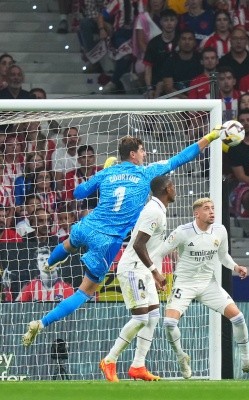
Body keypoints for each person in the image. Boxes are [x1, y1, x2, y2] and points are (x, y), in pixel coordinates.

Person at [21, 124, 230, 347]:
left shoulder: (108, 172)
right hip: (107, 240)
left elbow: (77, 193)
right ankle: (41, 323)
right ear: (133, 154)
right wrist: (210, 136)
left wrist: (102, 173)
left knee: (69, 243)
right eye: (142, 150)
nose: (145, 154)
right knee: (85, 292)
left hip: (88, 225)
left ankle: (48, 264)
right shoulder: (146, 173)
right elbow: (181, 158)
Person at [153, 198, 249, 378]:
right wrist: (157, 275)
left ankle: (246, 362)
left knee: (238, 317)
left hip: (208, 284)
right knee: (169, 323)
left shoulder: (220, 230)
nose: (212, 211)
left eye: (213, 208)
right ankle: (182, 357)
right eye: (206, 209)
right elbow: (158, 254)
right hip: (184, 283)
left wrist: (236, 267)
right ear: (196, 213)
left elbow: (223, 256)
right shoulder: (182, 232)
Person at [99, 176, 175, 382]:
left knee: (153, 316)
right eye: (173, 186)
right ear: (167, 189)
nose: (175, 189)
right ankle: (110, 359)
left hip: (143, 271)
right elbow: (138, 245)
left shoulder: (158, 209)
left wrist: (153, 273)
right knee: (141, 317)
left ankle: (138, 366)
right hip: (133, 269)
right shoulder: (153, 211)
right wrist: (155, 271)